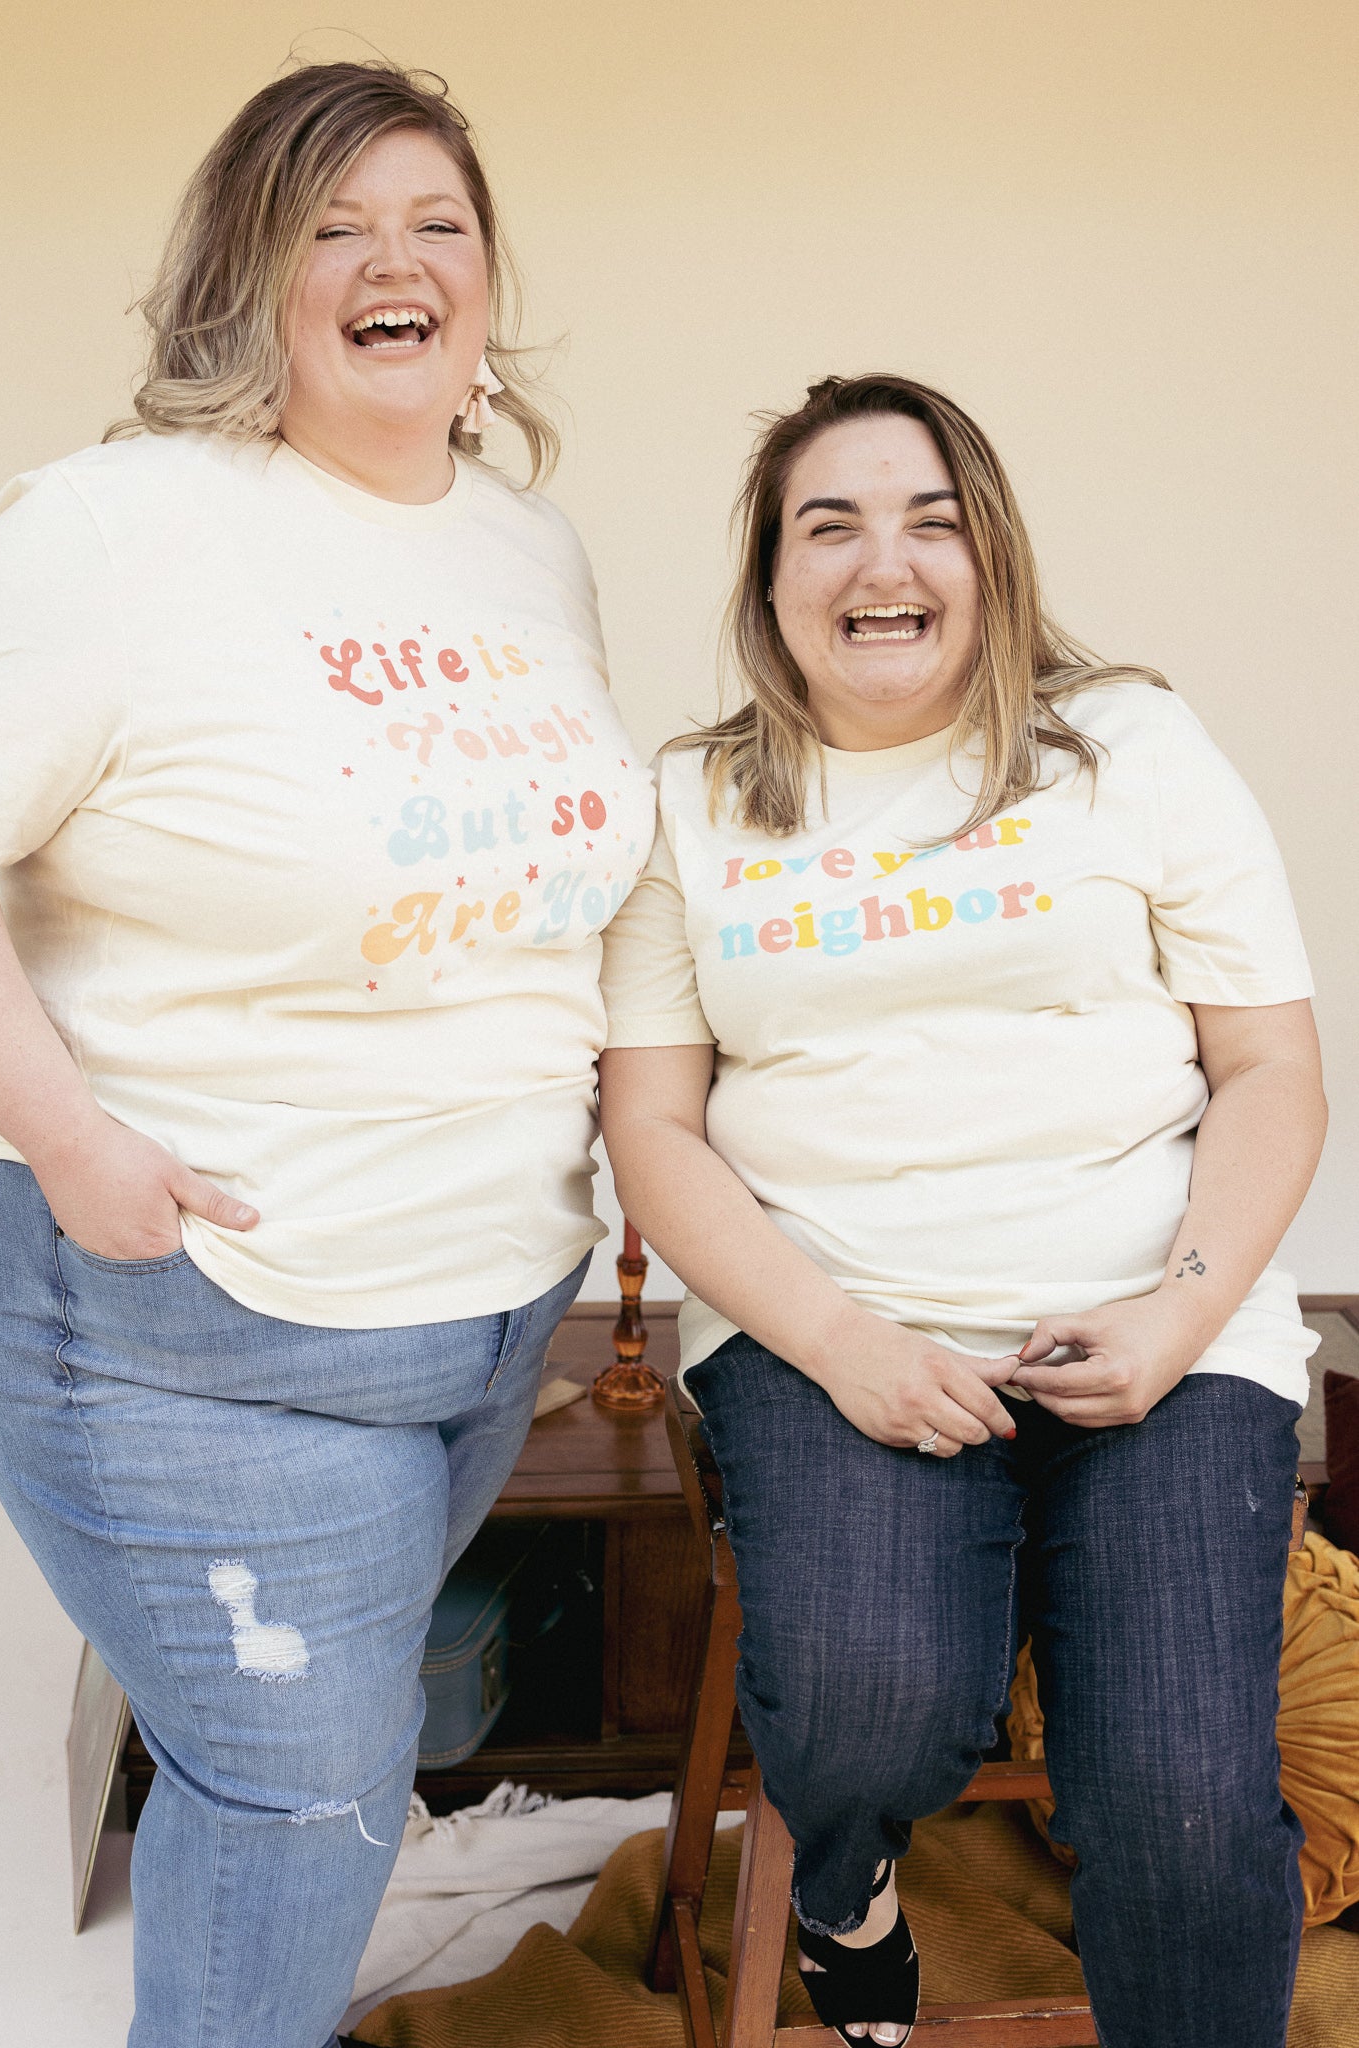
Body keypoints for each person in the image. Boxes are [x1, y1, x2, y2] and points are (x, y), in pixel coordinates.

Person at [0, 61, 651, 2048]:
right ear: (245, 276)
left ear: (485, 282)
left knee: (336, 1781)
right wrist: (76, 1144)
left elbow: (551, 888)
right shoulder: (114, 532)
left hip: (474, 1330)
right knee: (307, 1794)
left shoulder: (527, 551)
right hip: (196, 1324)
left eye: (435, 223)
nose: (393, 263)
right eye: (332, 225)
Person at [597, 372, 1324, 2048]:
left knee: (1184, 1805)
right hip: (831, 1321)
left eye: (930, 519)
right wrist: (842, 1342)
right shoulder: (691, 806)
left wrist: (1176, 1313)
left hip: (1159, 1321)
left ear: (988, 556)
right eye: (827, 522)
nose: (884, 560)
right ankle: (847, 1896)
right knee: (865, 1713)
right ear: (769, 580)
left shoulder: (1128, 745)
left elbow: (1272, 1073)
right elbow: (652, 1125)